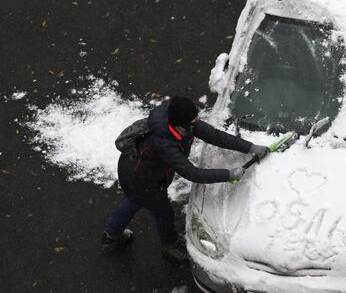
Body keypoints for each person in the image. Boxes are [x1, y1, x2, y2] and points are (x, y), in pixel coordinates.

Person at [101, 96, 269, 263]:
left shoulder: (180, 118)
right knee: (163, 212)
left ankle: (112, 232)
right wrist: (228, 174)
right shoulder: (164, 144)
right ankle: (170, 245)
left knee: (134, 201)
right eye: (192, 123)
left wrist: (250, 147)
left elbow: (214, 135)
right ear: (179, 125)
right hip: (140, 179)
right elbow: (192, 173)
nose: (196, 124)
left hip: (138, 170)